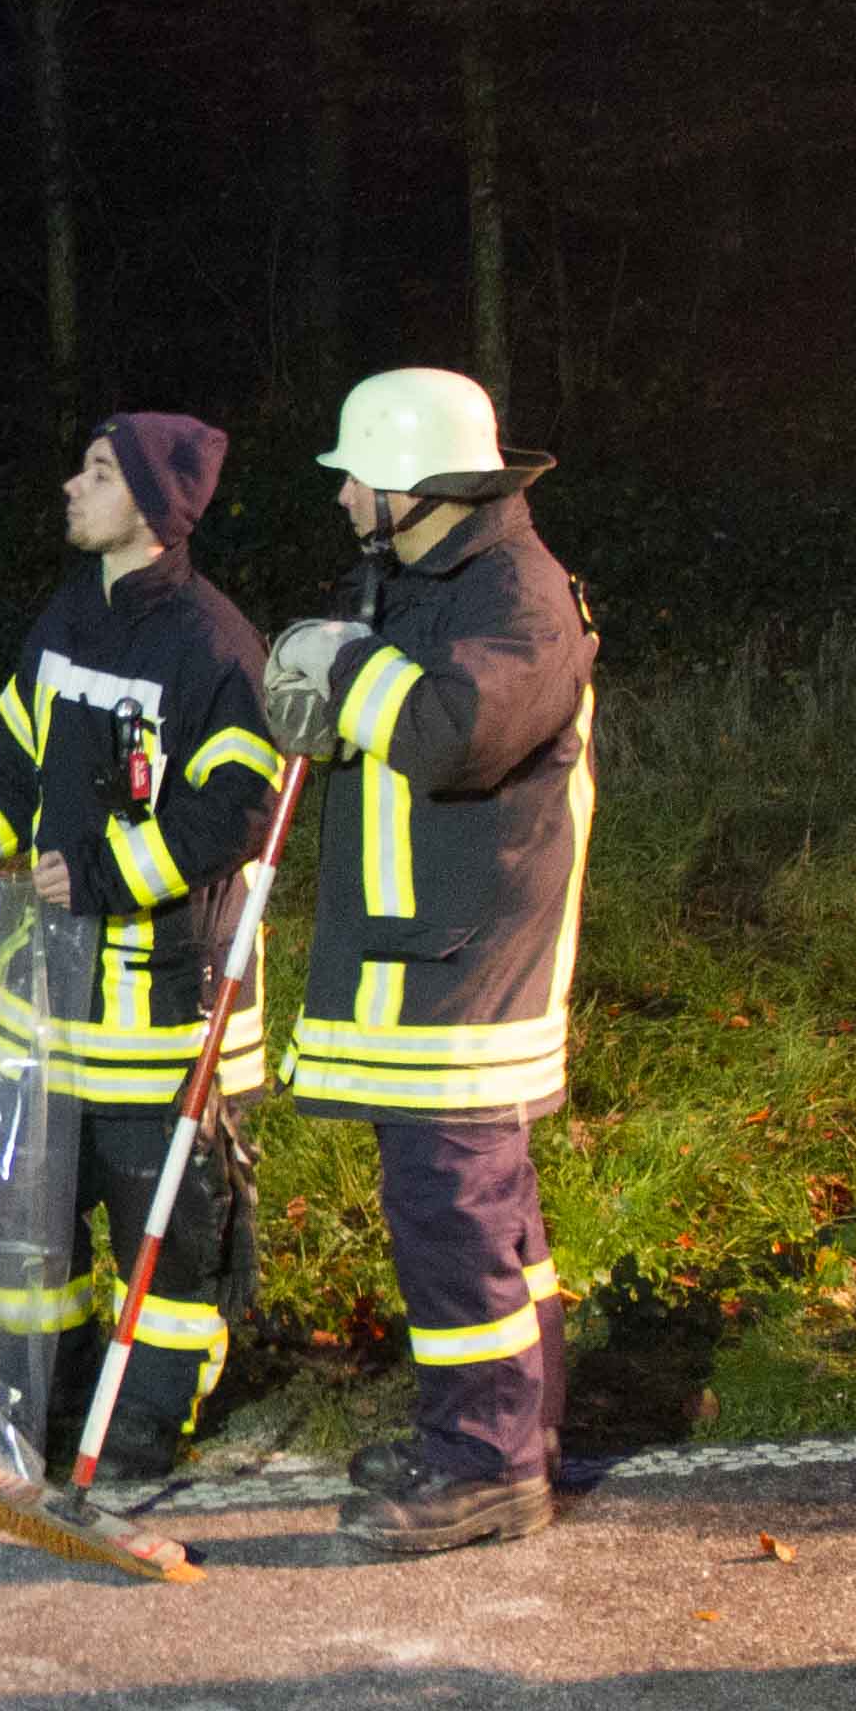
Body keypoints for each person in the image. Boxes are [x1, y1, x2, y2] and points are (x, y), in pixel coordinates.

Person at [0, 415, 283, 1480]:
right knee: (26, 1233)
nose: (73, 487)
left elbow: (236, 812)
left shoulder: (216, 648)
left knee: (167, 1240)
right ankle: (37, 1399)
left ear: (155, 504)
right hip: (45, 1001)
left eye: (99, 472)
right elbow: (11, 784)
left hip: (160, 1010)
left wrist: (102, 873)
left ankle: (143, 1424)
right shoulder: (66, 621)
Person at [259, 366, 598, 1557]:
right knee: (479, 1217)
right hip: (423, 950)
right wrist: (332, 691)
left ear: (418, 484)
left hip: (468, 964)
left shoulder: (519, 600)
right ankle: (509, 1435)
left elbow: (456, 736)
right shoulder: (426, 580)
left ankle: (485, 1465)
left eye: (359, 476)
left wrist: (345, 669)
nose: (344, 496)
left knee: (455, 1214)